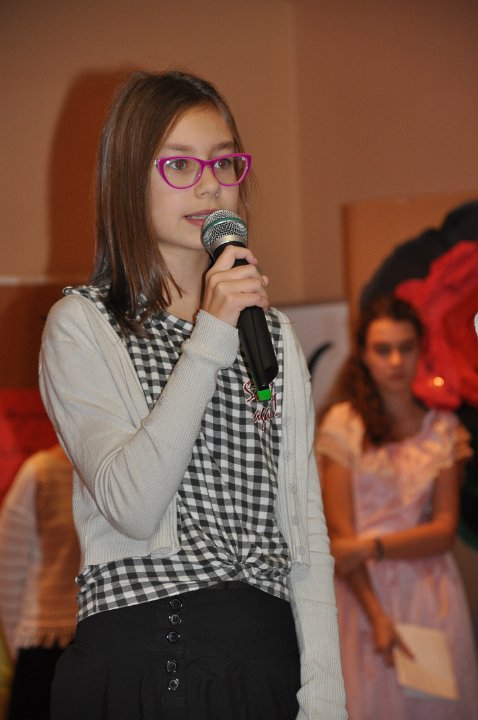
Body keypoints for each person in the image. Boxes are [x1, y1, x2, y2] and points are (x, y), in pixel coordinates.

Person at [39, 70, 347, 720]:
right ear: (127, 179)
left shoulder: (273, 334)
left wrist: (325, 697)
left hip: (265, 660)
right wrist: (210, 335)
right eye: (179, 164)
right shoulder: (85, 324)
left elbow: (305, 531)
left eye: (224, 162)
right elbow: (132, 504)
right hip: (149, 657)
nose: (210, 185)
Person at [315, 294, 478, 720]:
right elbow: (340, 538)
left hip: (429, 590)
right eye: (383, 349)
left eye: (405, 348)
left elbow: (443, 532)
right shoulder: (343, 425)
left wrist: (370, 547)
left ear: (420, 350)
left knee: (435, 707)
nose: (395, 361)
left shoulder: (442, 428)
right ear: (364, 354)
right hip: (361, 592)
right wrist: (377, 616)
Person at [0, 444, 80, 720]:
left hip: (99, 643)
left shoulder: (116, 475)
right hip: (44, 643)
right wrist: (22, 648)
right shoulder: (41, 471)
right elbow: (8, 571)